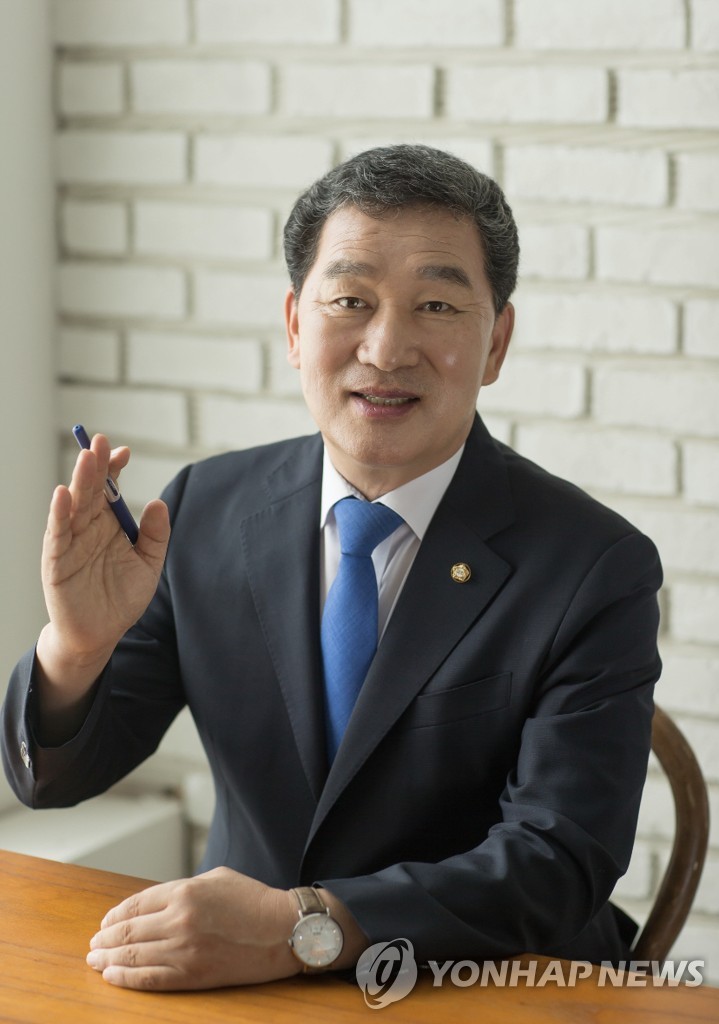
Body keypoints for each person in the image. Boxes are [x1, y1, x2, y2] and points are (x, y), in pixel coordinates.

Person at [1, 144, 662, 992]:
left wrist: (304, 928)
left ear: (496, 342)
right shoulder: (205, 506)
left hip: (478, 988)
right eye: (350, 300)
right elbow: (58, 780)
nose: (385, 349)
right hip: (241, 990)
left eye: (435, 305)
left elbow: (558, 858)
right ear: (293, 325)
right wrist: (77, 648)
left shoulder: (593, 565)